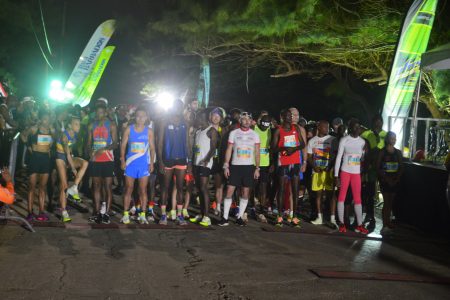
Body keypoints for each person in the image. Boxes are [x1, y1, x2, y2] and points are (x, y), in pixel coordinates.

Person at [220, 112, 260, 226]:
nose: (247, 121)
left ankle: (239, 217)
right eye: (244, 119)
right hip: (235, 166)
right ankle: (225, 217)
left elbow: (257, 152)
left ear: (251, 121)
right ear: (240, 121)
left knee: (245, 192)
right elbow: (229, 149)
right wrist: (226, 165)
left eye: (249, 119)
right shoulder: (233, 133)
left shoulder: (254, 134)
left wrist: (257, 168)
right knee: (229, 191)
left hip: (249, 167)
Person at [157, 99, 192, 226]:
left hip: (182, 159)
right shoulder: (164, 122)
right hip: (167, 160)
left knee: (180, 188)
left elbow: (187, 143)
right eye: (175, 106)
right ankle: (163, 215)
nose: (177, 109)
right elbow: (159, 143)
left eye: (180, 107)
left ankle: (179, 215)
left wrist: (190, 162)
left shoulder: (185, 123)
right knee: (165, 187)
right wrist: (160, 161)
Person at [120, 106, 155, 224]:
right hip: (130, 165)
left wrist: (151, 163)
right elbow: (123, 146)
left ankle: (143, 215)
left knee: (143, 190)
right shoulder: (129, 130)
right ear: (135, 117)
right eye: (138, 116)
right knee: (128, 189)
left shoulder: (149, 131)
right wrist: (122, 161)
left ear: (146, 118)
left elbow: (152, 148)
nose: (140, 118)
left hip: (143, 165)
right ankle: (125, 215)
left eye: (143, 116)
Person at [271, 109, 306, 227]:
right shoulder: (278, 130)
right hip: (283, 163)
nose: (290, 118)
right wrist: (284, 148)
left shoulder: (296, 129)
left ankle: (294, 217)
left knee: (295, 191)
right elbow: (273, 149)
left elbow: (302, 144)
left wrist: (294, 149)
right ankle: (280, 216)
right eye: (287, 116)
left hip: (295, 162)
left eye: (290, 116)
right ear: (282, 117)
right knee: (281, 189)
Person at [334, 118, 369, 234]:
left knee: (358, 199)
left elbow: (363, 159)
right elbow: (339, 157)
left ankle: (360, 225)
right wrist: (336, 175)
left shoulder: (363, 142)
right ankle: (342, 223)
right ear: (350, 128)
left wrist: (364, 172)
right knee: (342, 197)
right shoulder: (344, 140)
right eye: (356, 127)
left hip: (356, 173)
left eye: (359, 127)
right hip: (345, 172)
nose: (358, 128)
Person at [87, 104, 118, 224]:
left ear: (105, 113)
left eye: (101, 112)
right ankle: (96, 212)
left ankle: (106, 213)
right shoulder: (91, 125)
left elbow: (115, 143)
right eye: (97, 113)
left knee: (108, 187)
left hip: (108, 159)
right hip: (95, 160)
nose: (99, 115)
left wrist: (103, 149)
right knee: (96, 186)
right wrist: (89, 152)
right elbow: (88, 142)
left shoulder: (111, 125)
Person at [55, 115, 89, 222]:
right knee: (64, 185)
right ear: (70, 125)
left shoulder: (74, 134)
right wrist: (73, 168)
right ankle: (64, 212)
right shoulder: (64, 135)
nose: (78, 126)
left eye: (79, 124)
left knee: (85, 163)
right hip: (60, 157)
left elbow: (70, 151)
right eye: (76, 124)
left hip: (68, 156)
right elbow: (67, 153)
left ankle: (74, 187)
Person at [24, 109, 54, 221]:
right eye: (45, 119)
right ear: (41, 119)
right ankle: (30, 212)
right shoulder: (34, 129)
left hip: (45, 159)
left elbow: (51, 144)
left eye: (48, 119)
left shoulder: (51, 130)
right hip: (35, 159)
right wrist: (29, 148)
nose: (47, 121)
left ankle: (41, 212)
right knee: (31, 186)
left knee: (42, 187)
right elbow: (23, 136)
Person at [190, 110, 219, 227]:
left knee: (203, 188)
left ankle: (207, 217)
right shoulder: (198, 131)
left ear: (204, 118)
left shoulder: (212, 131)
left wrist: (207, 159)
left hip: (205, 165)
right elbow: (195, 149)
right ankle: (202, 214)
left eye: (198, 117)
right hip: (197, 163)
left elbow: (213, 148)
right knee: (199, 190)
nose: (196, 119)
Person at [307, 121, 338, 228]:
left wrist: (330, 167)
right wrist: (314, 167)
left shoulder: (332, 140)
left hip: (329, 171)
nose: (327, 129)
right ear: (319, 127)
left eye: (328, 127)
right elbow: (309, 157)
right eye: (325, 127)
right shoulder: (312, 141)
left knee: (331, 195)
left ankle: (333, 219)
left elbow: (336, 156)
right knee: (318, 194)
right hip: (317, 171)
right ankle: (319, 217)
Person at [361, 115, 387, 227]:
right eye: (376, 122)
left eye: (380, 122)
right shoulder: (366, 134)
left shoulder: (386, 135)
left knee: (386, 193)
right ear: (372, 123)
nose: (378, 124)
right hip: (370, 168)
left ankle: (386, 219)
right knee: (369, 193)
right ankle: (370, 215)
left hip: (383, 168)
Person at [376, 131, 403, 234]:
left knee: (391, 202)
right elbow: (377, 167)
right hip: (385, 181)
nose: (394, 140)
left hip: (394, 181)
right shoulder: (382, 152)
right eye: (392, 138)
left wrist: (397, 178)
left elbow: (401, 167)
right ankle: (384, 224)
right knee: (386, 202)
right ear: (387, 139)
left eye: (395, 138)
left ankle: (388, 221)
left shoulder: (398, 152)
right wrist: (386, 178)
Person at [253, 114, 272, 223]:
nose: (265, 126)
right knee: (251, 187)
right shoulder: (254, 128)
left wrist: (272, 163)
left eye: (267, 124)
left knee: (263, 188)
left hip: (265, 163)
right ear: (260, 122)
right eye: (264, 123)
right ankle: (250, 208)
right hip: (253, 163)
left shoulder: (270, 130)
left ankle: (261, 212)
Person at [209, 107, 226, 216]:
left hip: (218, 160)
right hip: (206, 159)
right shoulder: (206, 127)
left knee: (219, 185)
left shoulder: (224, 130)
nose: (215, 118)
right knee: (204, 185)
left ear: (221, 118)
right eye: (214, 115)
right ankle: (205, 205)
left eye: (218, 116)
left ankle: (218, 206)